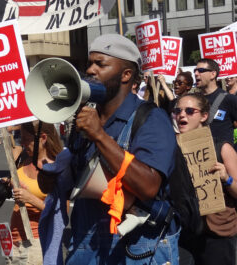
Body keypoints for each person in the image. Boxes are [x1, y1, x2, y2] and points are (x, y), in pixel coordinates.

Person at [40, 34, 179, 264]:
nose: (91, 70)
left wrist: (100, 136)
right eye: (89, 64)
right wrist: (54, 182)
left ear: (126, 75)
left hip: (136, 250)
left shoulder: (150, 119)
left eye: (101, 64)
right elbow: (81, 179)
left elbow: (149, 186)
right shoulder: (86, 119)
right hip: (86, 246)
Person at [174, 93, 237, 265]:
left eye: (189, 111)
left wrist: (226, 178)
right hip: (184, 232)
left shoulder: (222, 148)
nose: (181, 115)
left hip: (217, 234)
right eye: (178, 111)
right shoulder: (171, 146)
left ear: (204, 116)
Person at [0, 121, 63, 265]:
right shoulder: (25, 158)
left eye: (26, 139)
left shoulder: (57, 167)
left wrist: (30, 198)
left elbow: (62, 213)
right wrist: (8, 184)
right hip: (14, 238)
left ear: (43, 138)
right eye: (21, 139)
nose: (23, 143)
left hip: (37, 241)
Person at [194, 58, 237, 144]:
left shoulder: (229, 99)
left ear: (213, 74)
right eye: (195, 71)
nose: (196, 74)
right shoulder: (193, 100)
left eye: (201, 70)